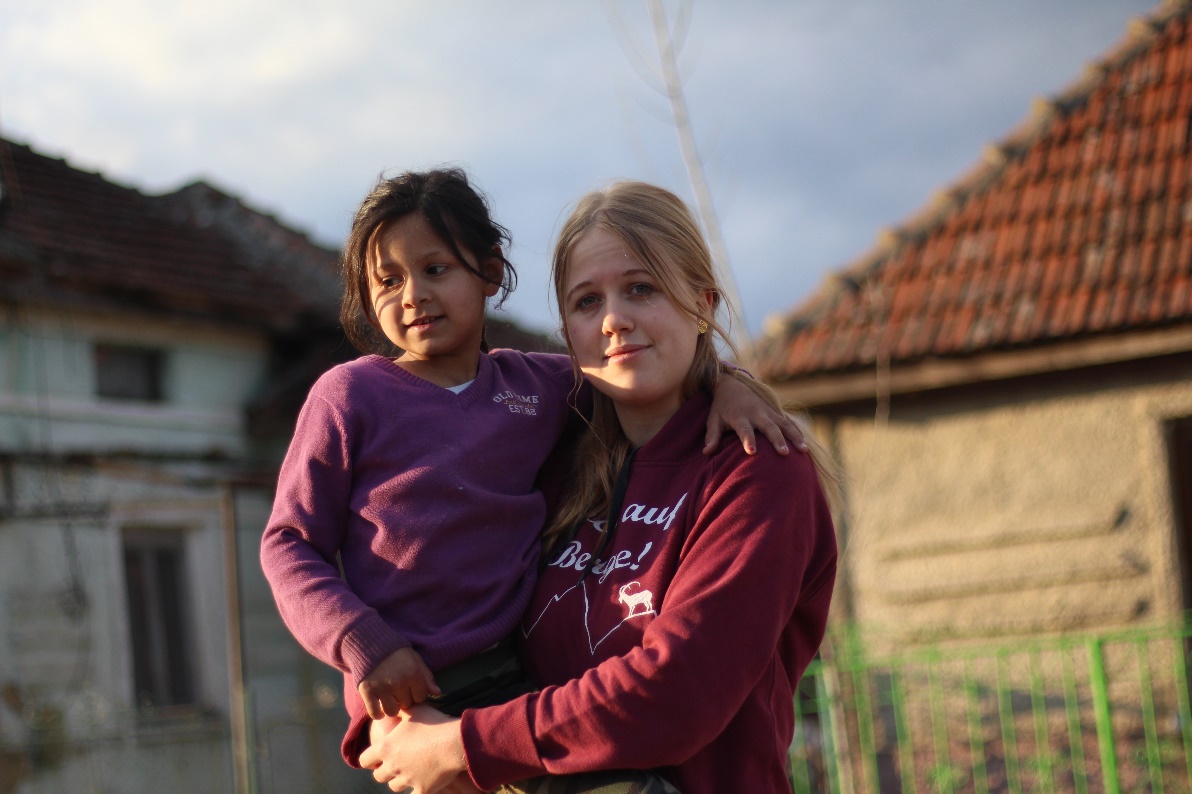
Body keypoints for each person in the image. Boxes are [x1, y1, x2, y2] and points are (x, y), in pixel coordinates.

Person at [259, 169, 807, 776]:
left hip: (506, 700)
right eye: (587, 301)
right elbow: (288, 543)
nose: (614, 322)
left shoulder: (543, 395)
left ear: (491, 271)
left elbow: (680, 688)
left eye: (642, 288)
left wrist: (733, 383)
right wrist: (363, 642)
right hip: (408, 694)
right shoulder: (353, 396)